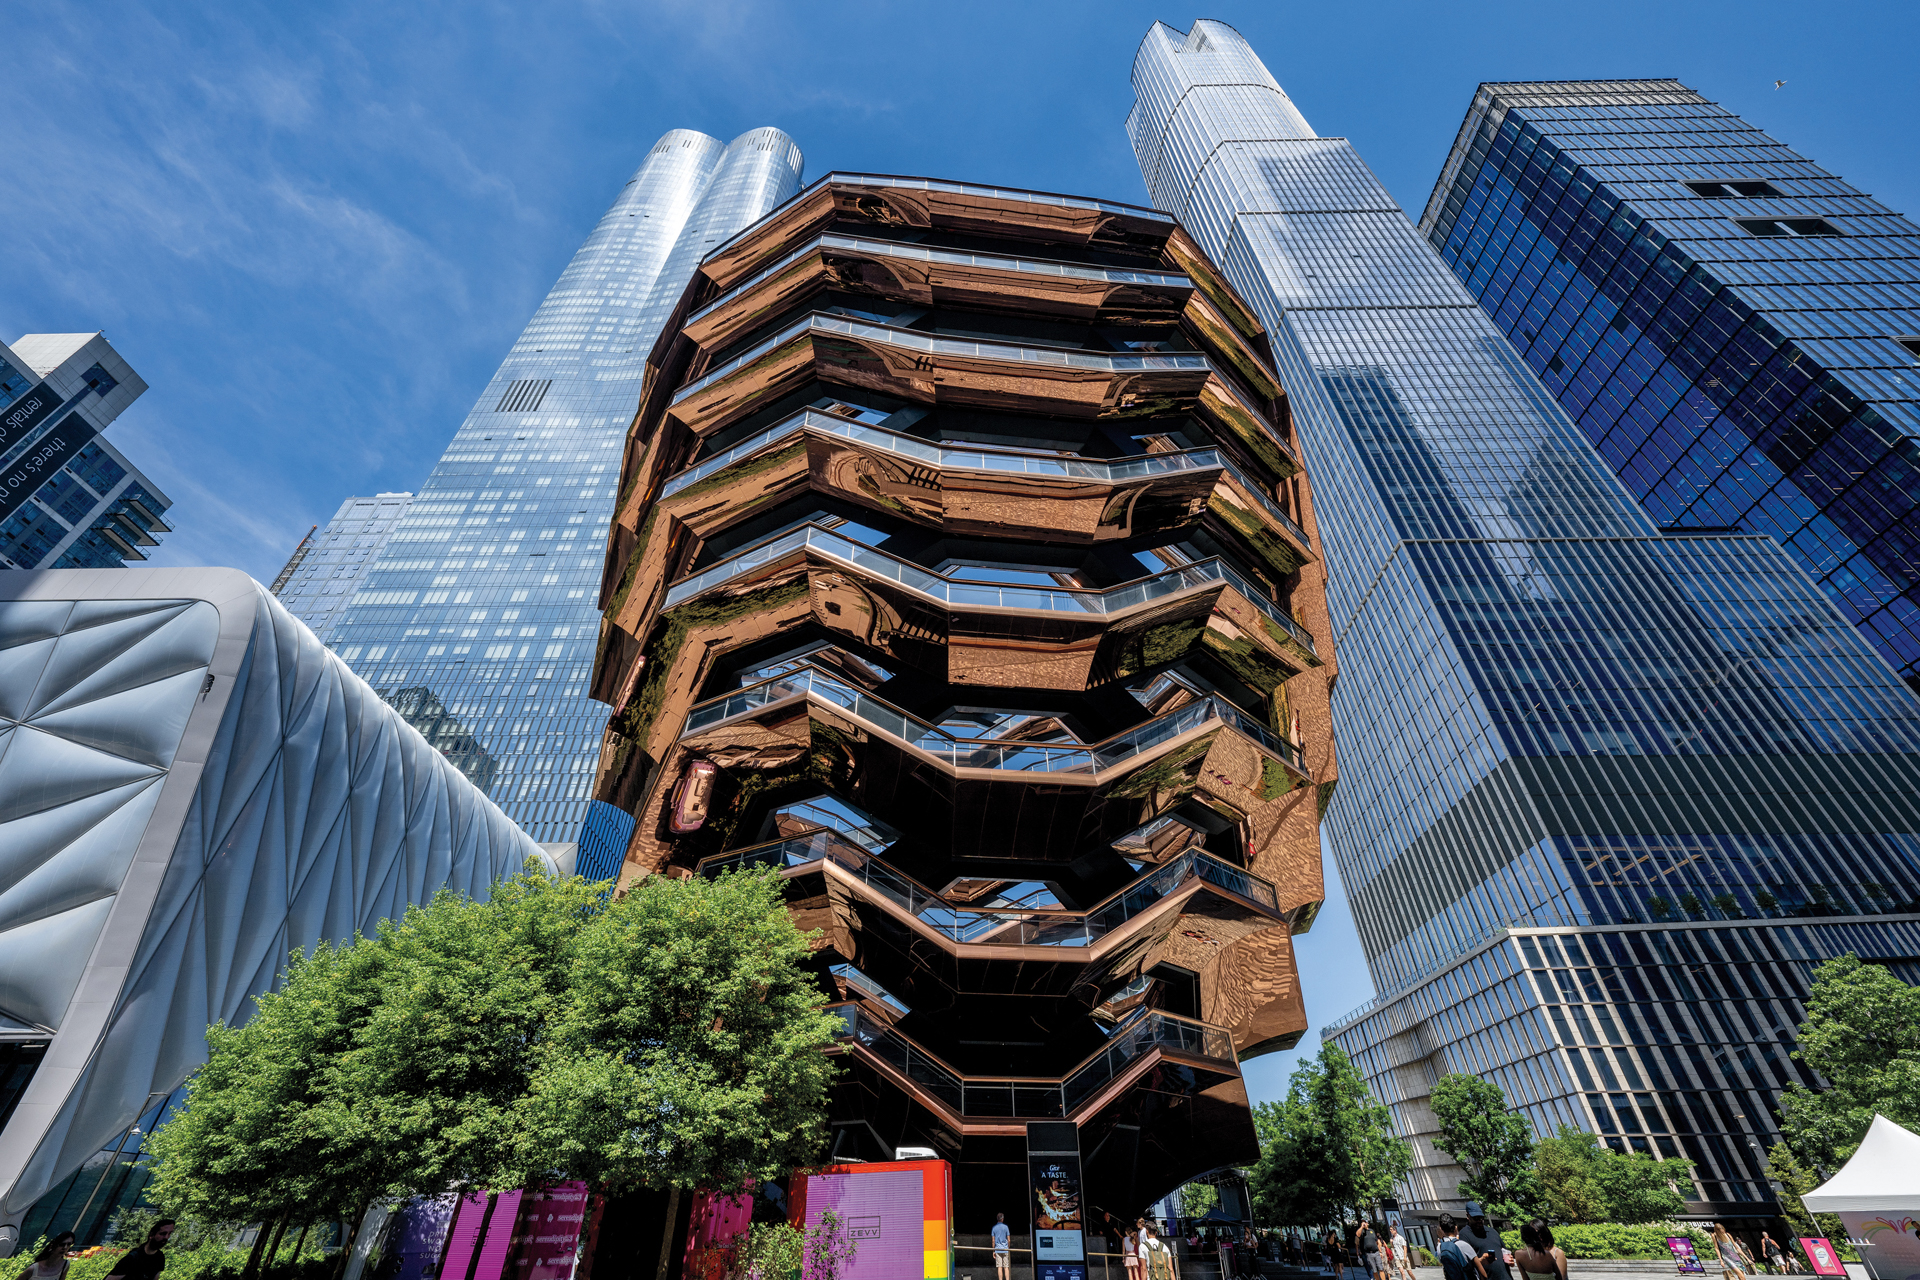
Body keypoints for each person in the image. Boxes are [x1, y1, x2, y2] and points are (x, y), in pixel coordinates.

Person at [105, 1220, 173, 1280]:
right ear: (152, 1235)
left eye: (169, 1233)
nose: (166, 1237)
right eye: (163, 1234)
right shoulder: (132, 1258)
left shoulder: (160, 1257)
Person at [1460, 1207, 1511, 1280]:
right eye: (1476, 1218)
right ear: (1468, 1216)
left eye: (1481, 1218)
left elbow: (1504, 1251)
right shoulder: (1464, 1234)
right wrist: (1480, 1261)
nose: (1479, 1221)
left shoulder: (1492, 1231)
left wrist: (1509, 1259)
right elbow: (1466, 1264)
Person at [1438, 1215, 1488, 1280]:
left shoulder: (1440, 1248)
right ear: (1456, 1228)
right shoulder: (1463, 1245)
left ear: (1441, 1230)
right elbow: (1483, 1274)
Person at [991, 1212, 1012, 1280]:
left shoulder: (994, 1228)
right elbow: (1008, 1240)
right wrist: (1008, 1247)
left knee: (999, 1267)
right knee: (1006, 1267)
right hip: (1005, 1249)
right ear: (1002, 1219)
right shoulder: (1006, 1227)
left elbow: (993, 1241)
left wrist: (993, 1250)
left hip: (997, 1249)